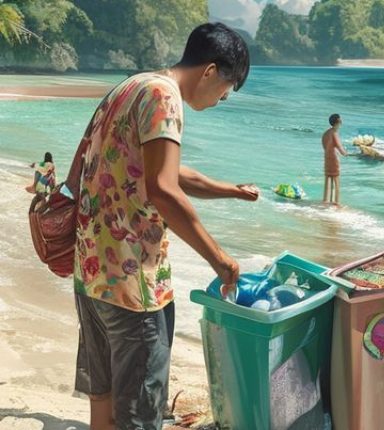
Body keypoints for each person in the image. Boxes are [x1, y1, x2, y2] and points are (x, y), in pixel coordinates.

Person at [73, 23, 258, 430]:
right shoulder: (164, 97)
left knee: (102, 400)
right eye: (225, 91)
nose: (221, 99)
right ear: (209, 71)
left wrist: (229, 190)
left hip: (91, 274)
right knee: (139, 413)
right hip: (133, 285)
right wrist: (220, 259)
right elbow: (162, 188)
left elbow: (157, 170)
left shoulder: (132, 85)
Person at [322, 113, 347, 204]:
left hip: (327, 157)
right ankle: (336, 202)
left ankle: (325, 200)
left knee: (328, 179)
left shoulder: (326, 133)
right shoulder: (334, 133)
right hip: (334, 158)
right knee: (336, 181)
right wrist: (345, 153)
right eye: (340, 120)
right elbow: (339, 147)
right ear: (338, 122)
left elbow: (325, 145)